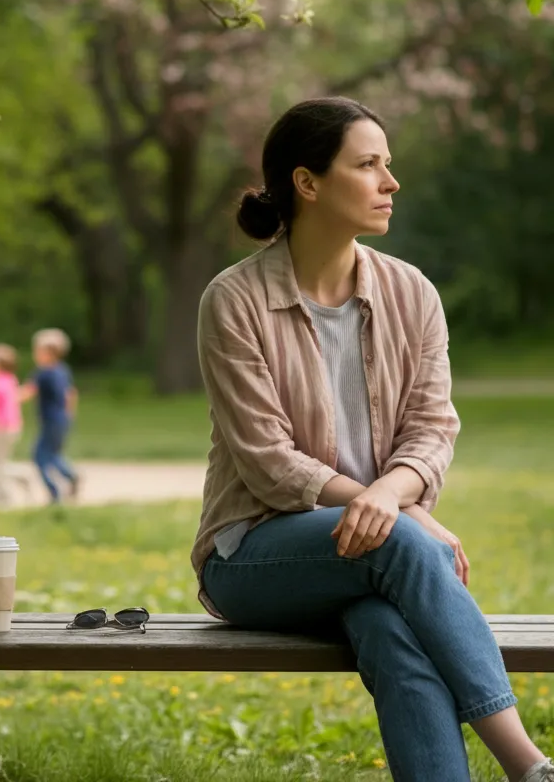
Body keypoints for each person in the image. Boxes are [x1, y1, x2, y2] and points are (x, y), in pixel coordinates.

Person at [193, 97, 552, 782]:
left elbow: (432, 426)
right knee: (399, 545)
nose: (391, 182)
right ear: (308, 182)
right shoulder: (233, 300)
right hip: (252, 554)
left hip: (376, 555)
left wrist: (393, 498)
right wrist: (401, 514)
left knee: (391, 632)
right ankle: (526, 761)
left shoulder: (411, 292)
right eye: (369, 165)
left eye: (388, 165)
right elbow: (269, 463)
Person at [20, 328, 79, 505]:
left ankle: (54, 492)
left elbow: (28, 392)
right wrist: (69, 415)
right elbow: (71, 394)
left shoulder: (43, 373)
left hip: (50, 420)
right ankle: (70, 476)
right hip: (62, 419)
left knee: (40, 456)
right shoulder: (63, 370)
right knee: (52, 454)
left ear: (48, 353)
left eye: (37, 351)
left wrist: (7, 398)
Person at [0, 343, 33, 507]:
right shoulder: (11, 380)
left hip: (1, 428)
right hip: (13, 427)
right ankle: (18, 480)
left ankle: (4, 496)